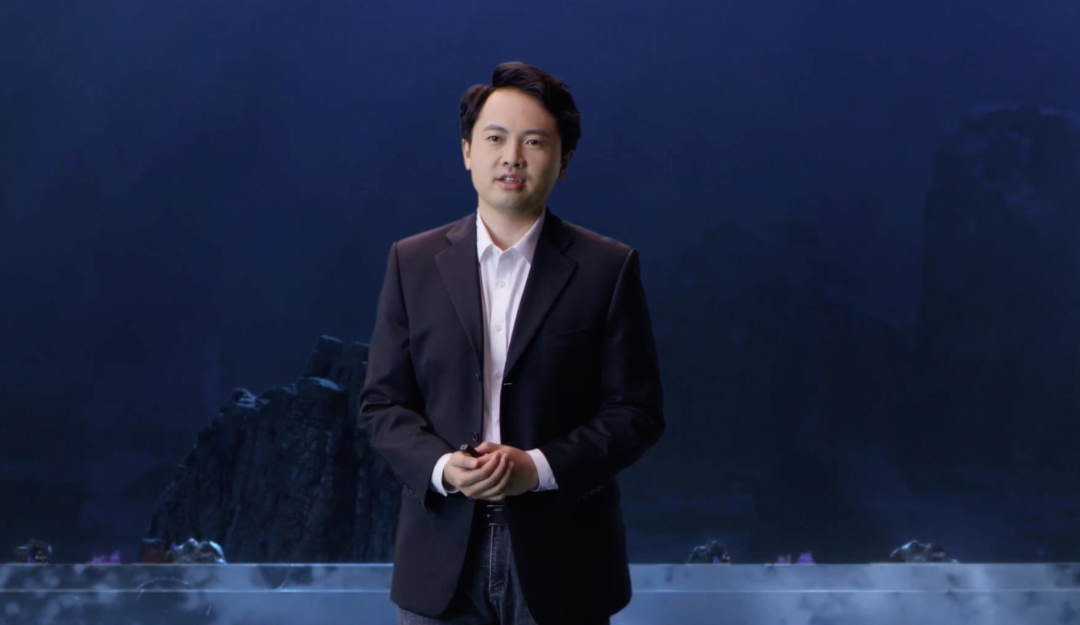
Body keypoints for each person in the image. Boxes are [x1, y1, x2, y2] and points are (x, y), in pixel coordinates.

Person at [358, 61, 665, 625]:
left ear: (563, 161)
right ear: (467, 151)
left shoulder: (608, 268)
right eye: (495, 138)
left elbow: (636, 412)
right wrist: (444, 466)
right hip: (440, 557)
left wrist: (538, 467)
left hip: (567, 558)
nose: (512, 157)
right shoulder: (412, 262)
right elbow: (382, 405)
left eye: (535, 142)